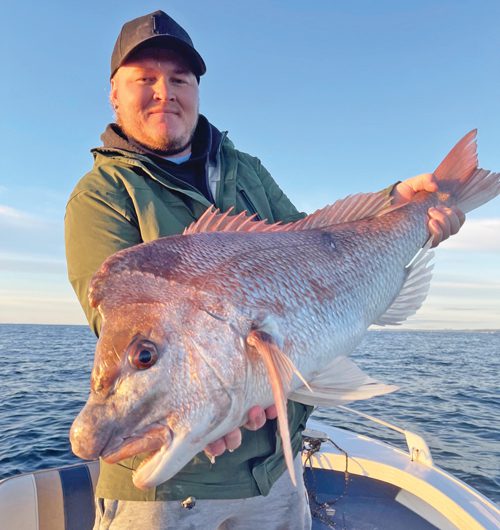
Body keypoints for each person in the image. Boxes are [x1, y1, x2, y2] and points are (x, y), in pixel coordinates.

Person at [64, 10, 464, 530]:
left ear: (197, 91)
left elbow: (314, 239)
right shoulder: (101, 196)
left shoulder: (244, 168)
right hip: (170, 495)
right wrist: (219, 388)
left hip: (275, 472)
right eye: (145, 79)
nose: (165, 92)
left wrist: (399, 203)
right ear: (114, 94)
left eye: (179, 79)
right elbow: (118, 326)